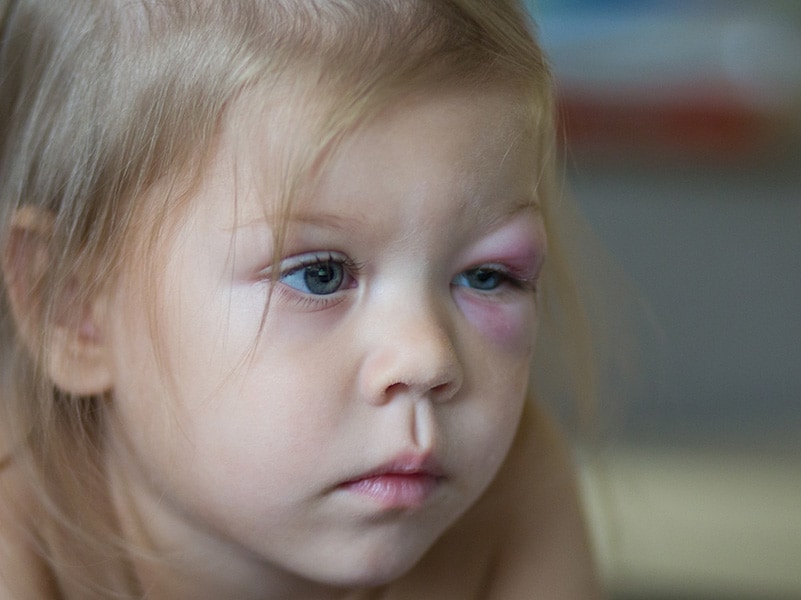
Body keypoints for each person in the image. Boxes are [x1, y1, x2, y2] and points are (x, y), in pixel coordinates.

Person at [0, 1, 600, 597]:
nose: (428, 358)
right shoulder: (18, 543)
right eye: (319, 275)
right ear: (77, 312)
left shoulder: (514, 500)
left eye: (487, 276)